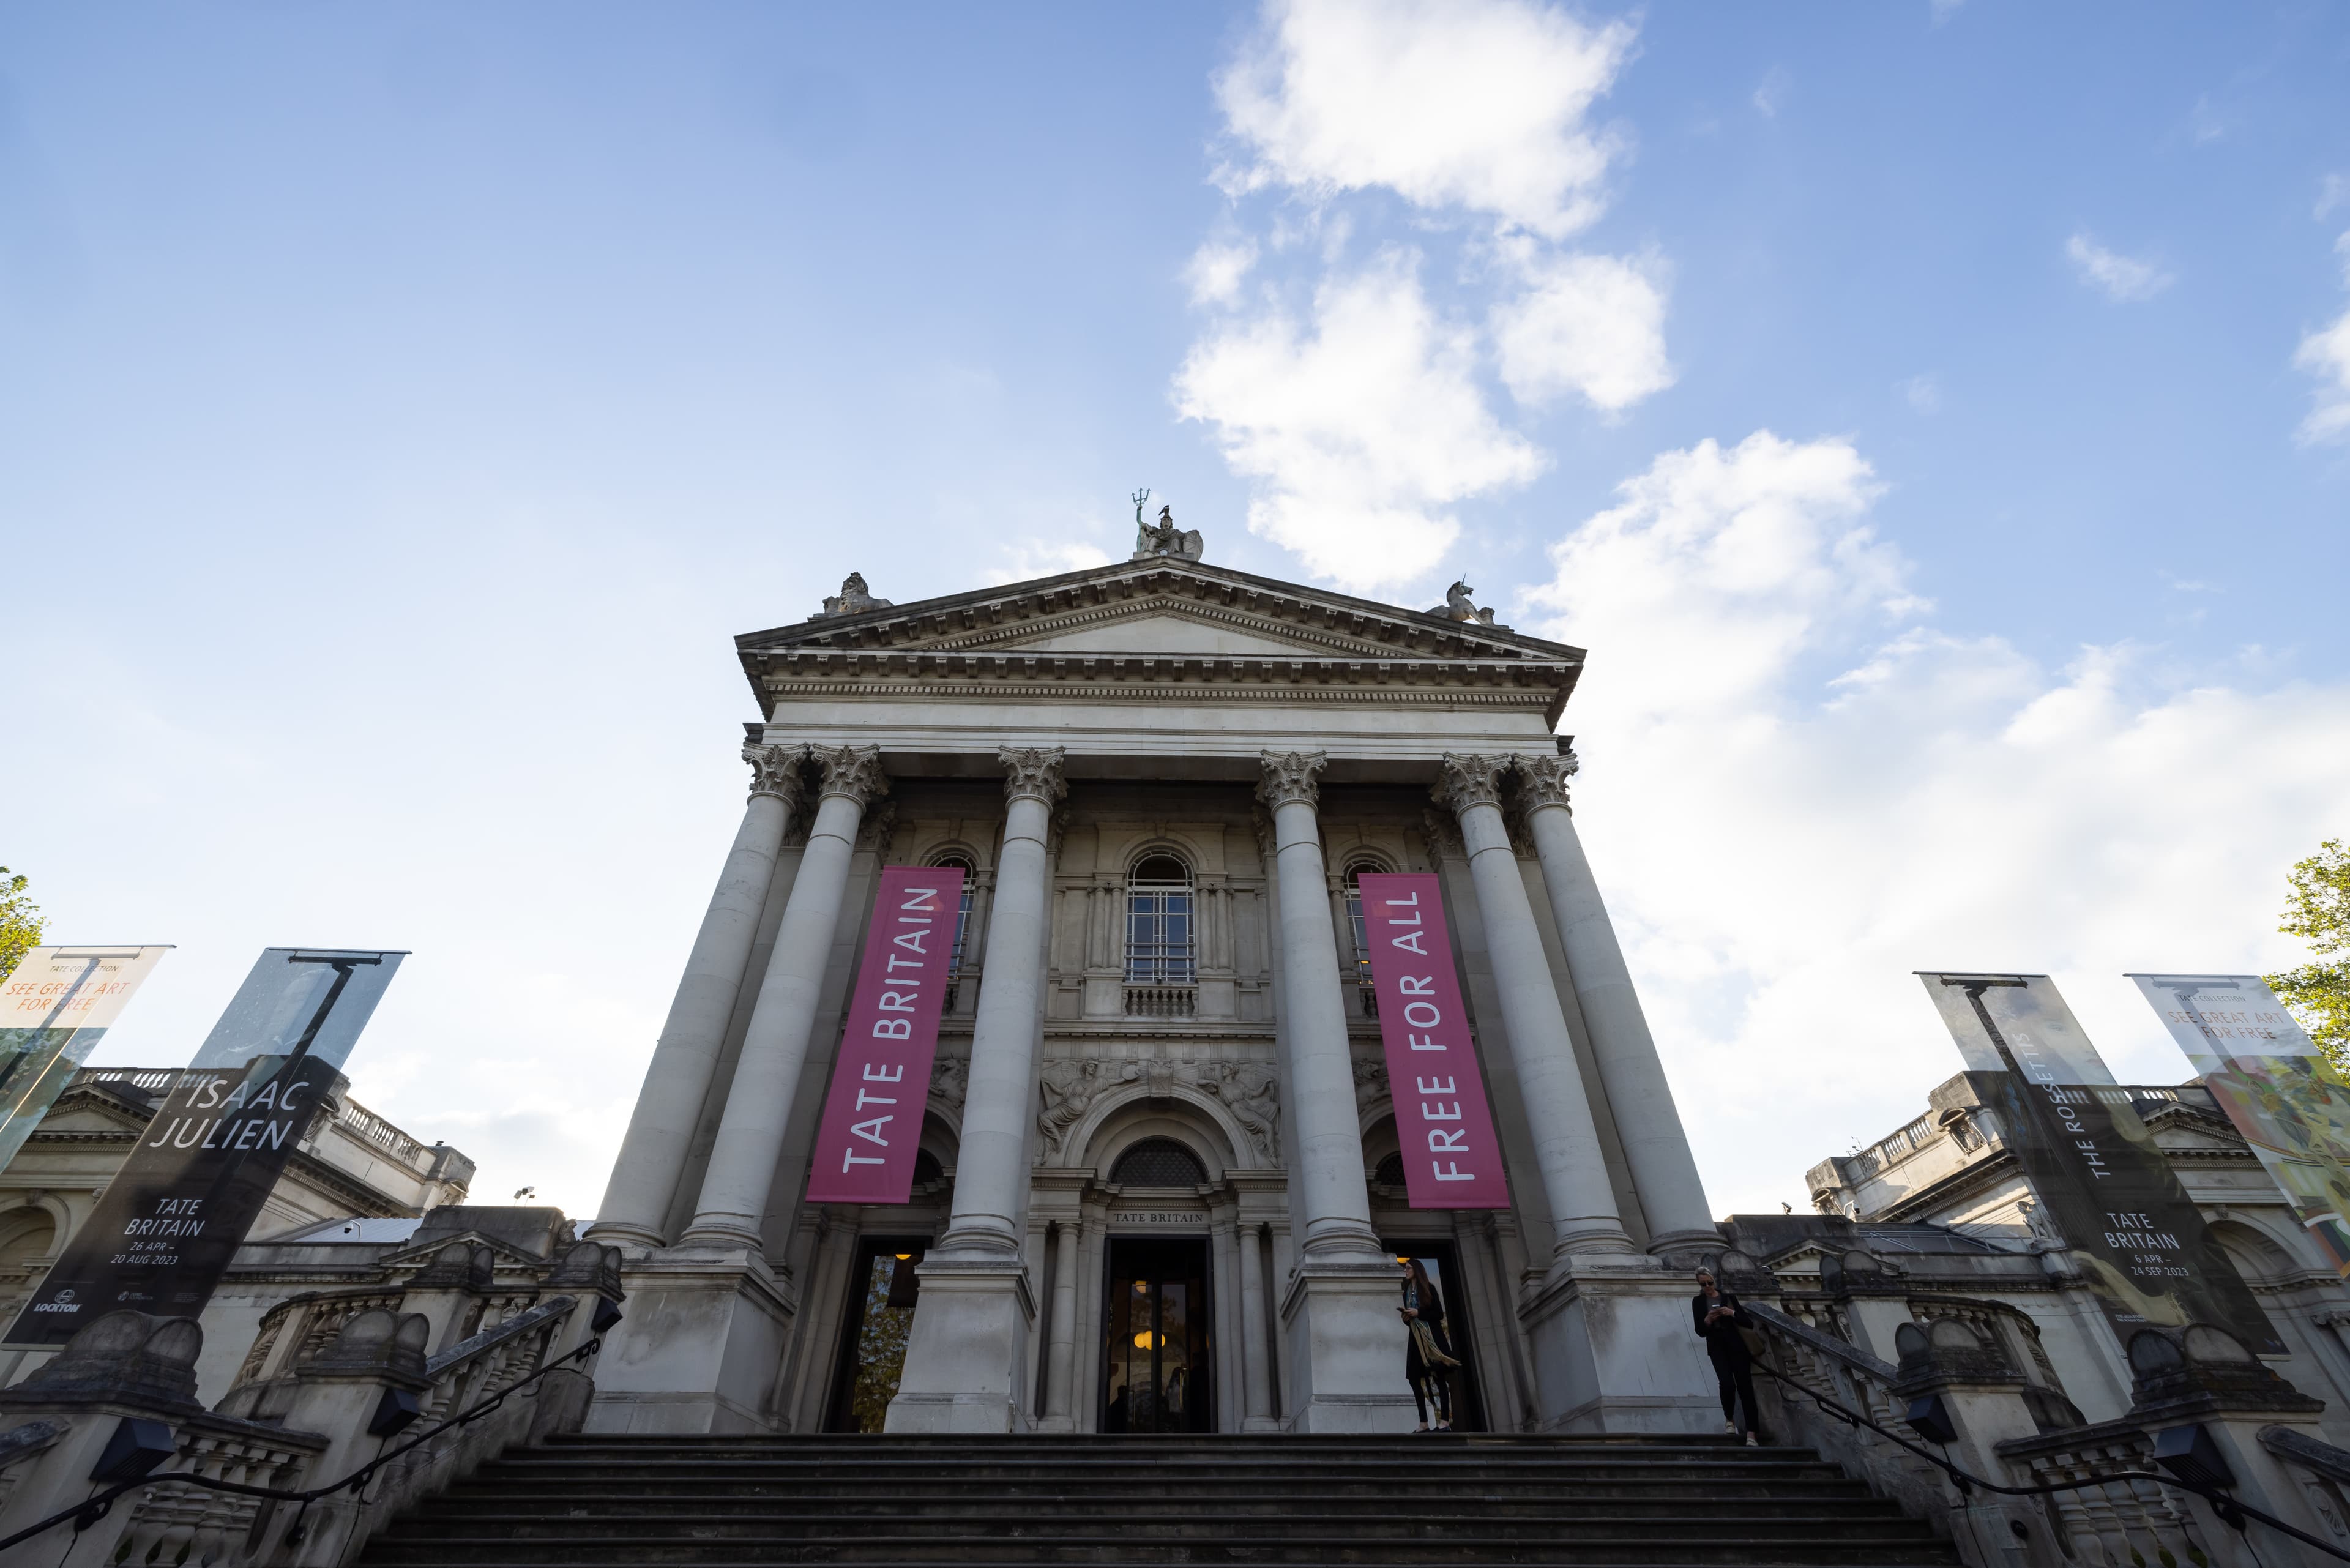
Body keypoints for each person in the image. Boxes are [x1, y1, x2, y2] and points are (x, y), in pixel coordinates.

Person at [1692, 1266, 1764, 1446]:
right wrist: (1708, 1319)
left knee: (1746, 1388)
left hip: (1737, 1346)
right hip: (1717, 1348)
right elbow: (1700, 1331)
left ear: (1714, 1280)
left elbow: (1747, 1322)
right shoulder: (1698, 1302)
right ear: (1699, 1284)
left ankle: (1752, 1433)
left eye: (1710, 1283)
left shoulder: (1729, 1298)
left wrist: (1731, 1313)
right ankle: (1729, 1418)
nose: (1708, 1287)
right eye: (1704, 1284)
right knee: (1726, 1383)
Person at [1400, 1257, 1461, 1432]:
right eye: (1406, 1268)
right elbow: (1410, 1321)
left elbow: (1439, 1314)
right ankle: (1424, 1423)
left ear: (1417, 1271)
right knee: (1413, 1379)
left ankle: (1445, 1422)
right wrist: (1406, 1317)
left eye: (1409, 1268)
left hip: (1432, 1339)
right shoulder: (1407, 1293)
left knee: (1439, 1378)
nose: (1406, 1271)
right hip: (1416, 1340)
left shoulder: (1429, 1289)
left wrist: (1419, 1312)